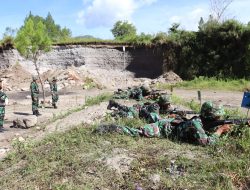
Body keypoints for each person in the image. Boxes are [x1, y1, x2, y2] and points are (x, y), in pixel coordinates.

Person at [97, 101, 232, 146]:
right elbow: (206, 142)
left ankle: (140, 110)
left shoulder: (201, 121)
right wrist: (219, 131)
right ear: (210, 115)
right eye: (217, 116)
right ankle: (111, 128)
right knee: (138, 132)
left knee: (151, 115)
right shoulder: (197, 123)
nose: (218, 118)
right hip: (163, 128)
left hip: (171, 123)